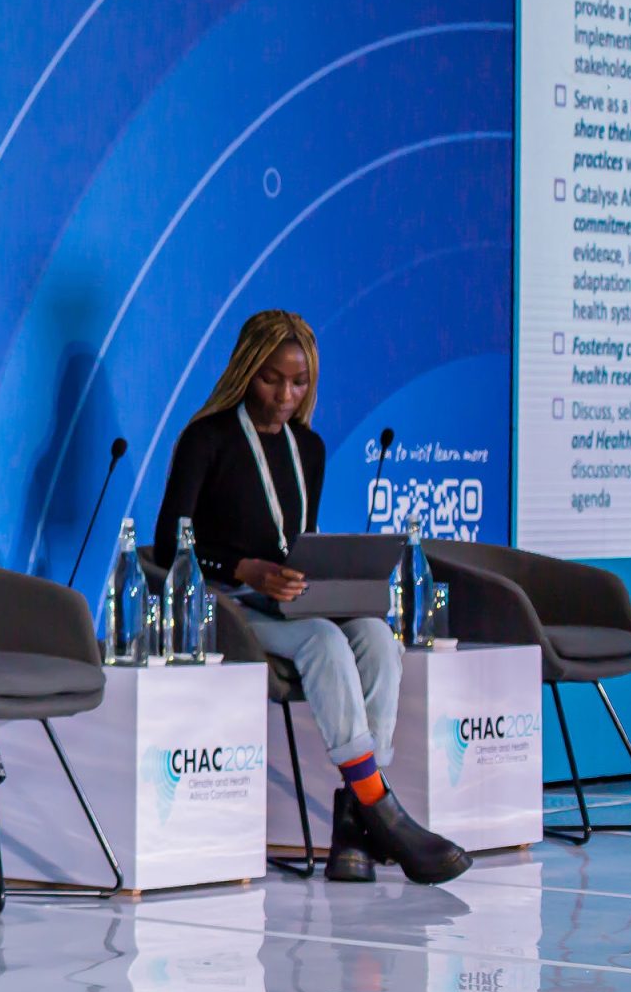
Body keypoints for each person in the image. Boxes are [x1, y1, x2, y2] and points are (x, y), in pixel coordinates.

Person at [154, 309, 469, 885]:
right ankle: (382, 812)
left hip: (294, 600)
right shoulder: (208, 438)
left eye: (298, 383)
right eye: (272, 378)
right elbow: (168, 545)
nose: (285, 395)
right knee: (325, 641)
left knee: (376, 636)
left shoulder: (310, 447)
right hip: (231, 602)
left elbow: (293, 536)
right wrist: (245, 568)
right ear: (247, 370)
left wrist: (320, 571)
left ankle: (354, 824)